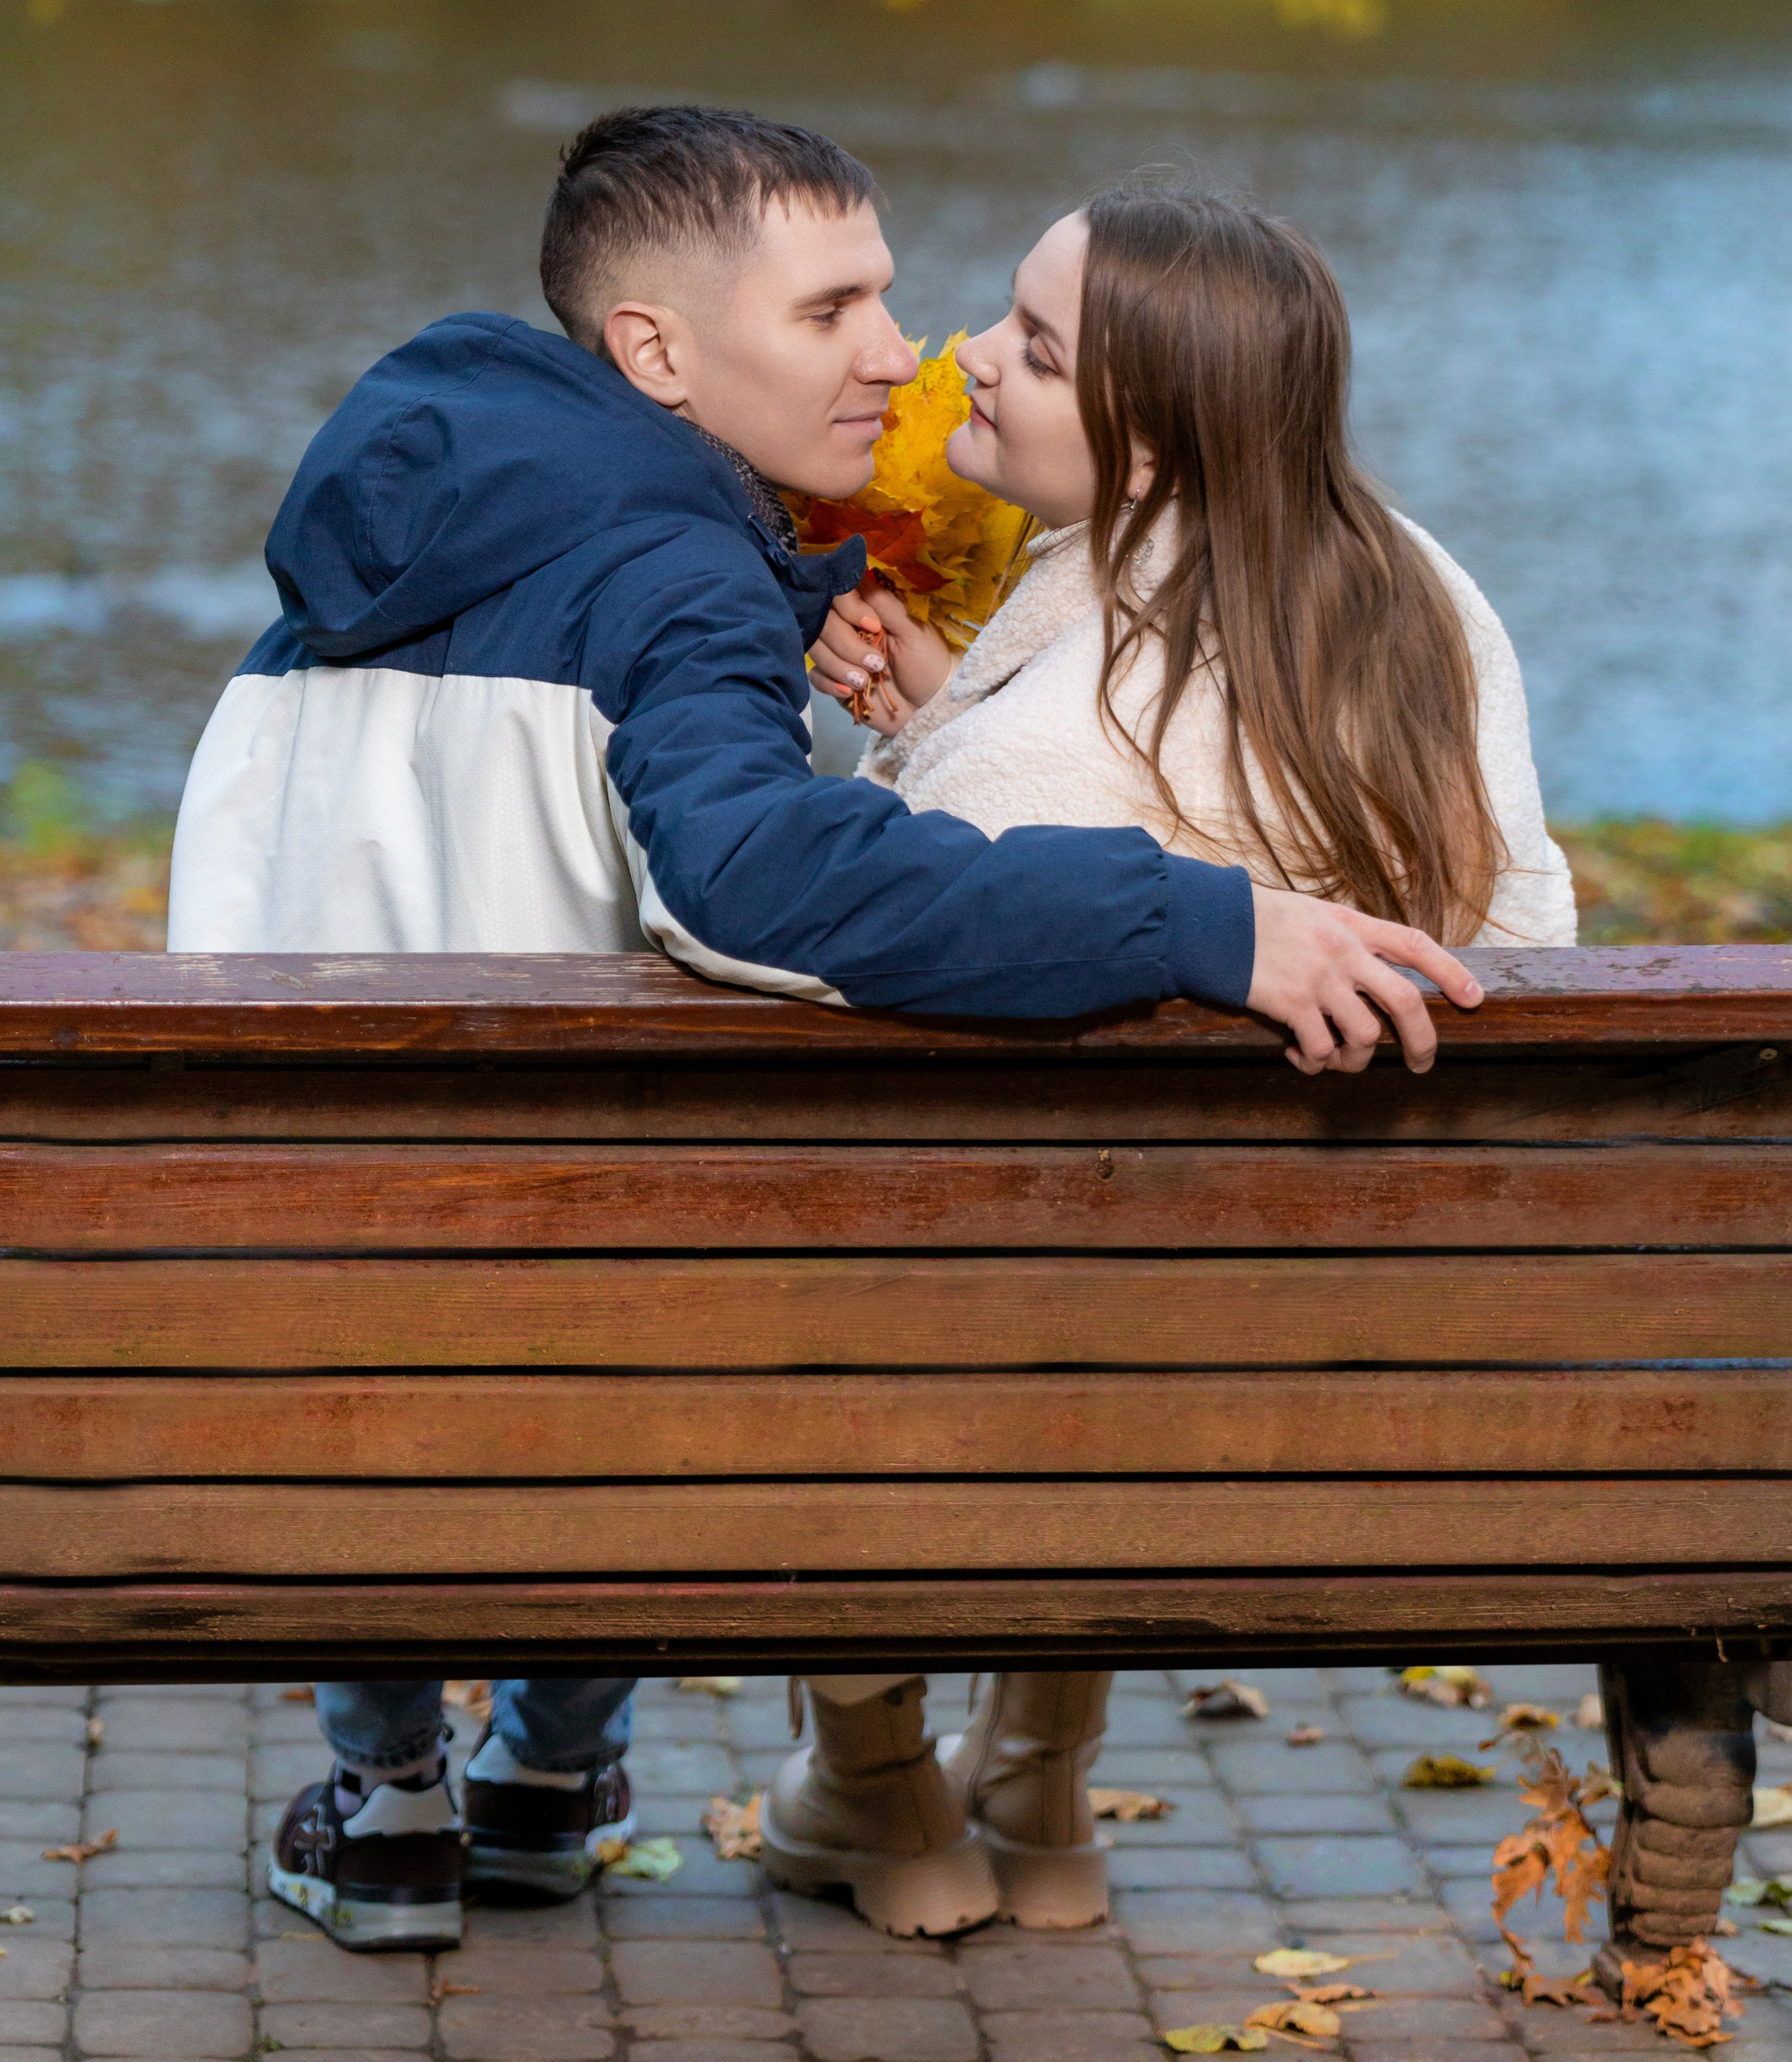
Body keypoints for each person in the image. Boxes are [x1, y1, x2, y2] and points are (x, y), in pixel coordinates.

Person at [167, 108, 1482, 1953]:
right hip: (565, 1323)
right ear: (659, 354)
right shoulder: (676, 574)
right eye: (837, 308)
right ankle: (544, 1772)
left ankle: (397, 1798)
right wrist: (1202, 915)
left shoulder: (356, 574)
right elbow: (754, 881)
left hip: (266, 1289)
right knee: (658, 1248)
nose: (901, 352)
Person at [785, 181, 1575, 1936]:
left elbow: (926, 934)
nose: (963, 361)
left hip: (1000, 1379)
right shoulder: (1419, 597)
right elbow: (1509, 914)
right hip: (1320, 1349)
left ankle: (873, 1775)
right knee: (1116, 1277)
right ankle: (1040, 1780)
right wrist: (941, 716)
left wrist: (935, 763)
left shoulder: (1059, 728)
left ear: (1143, 455)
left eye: (1032, 349)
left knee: (811, 1276)